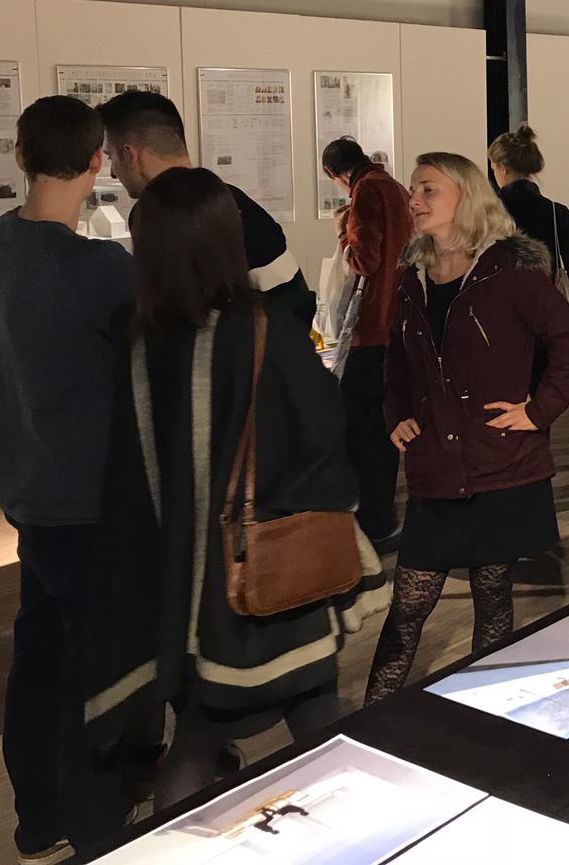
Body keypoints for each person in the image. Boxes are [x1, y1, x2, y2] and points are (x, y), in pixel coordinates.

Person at [84, 167, 384, 810]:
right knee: (318, 716)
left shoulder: (134, 338)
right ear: (224, 239)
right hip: (267, 577)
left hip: (178, 589)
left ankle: (173, 849)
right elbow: (322, 433)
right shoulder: (260, 329)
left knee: (197, 737)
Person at [0, 96, 135, 865]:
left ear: (19, 155)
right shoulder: (103, 269)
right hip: (85, 497)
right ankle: (95, 828)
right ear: (100, 161)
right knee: (90, 669)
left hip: (27, 488)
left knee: (38, 657)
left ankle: (38, 821)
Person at [367, 153, 569, 704]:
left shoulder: (508, 272)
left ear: (465, 196)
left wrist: (538, 410)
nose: (413, 200)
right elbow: (396, 359)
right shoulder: (413, 278)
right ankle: (369, 720)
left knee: (493, 596)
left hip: (499, 464)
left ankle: (485, 709)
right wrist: (397, 412)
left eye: (427, 189)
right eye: (414, 190)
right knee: (408, 606)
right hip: (436, 469)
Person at [99, 91, 313, 325]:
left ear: (130, 155)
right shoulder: (230, 201)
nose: (113, 172)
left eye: (111, 157)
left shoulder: (158, 214)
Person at [322, 137, 414, 549]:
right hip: (397, 323)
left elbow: (364, 260)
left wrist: (343, 231)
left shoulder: (365, 193)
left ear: (334, 174)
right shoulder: (394, 188)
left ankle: (371, 522)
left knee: (361, 429)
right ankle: (382, 518)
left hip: (371, 326)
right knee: (382, 427)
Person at [487, 123, 569, 298]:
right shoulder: (557, 212)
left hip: (500, 307)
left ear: (502, 167)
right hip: (546, 308)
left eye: (493, 168)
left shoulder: (489, 213)